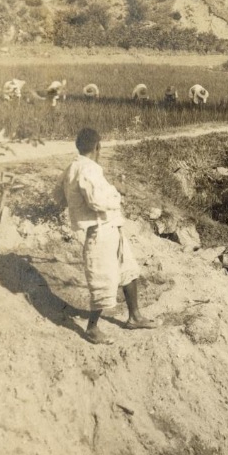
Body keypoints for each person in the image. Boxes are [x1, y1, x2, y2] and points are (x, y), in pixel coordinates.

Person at [54, 128, 156, 344]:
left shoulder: (73, 167)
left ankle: (135, 317)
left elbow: (57, 194)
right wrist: (116, 197)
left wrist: (71, 204)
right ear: (97, 147)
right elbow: (96, 201)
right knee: (104, 280)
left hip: (110, 228)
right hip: (99, 233)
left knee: (128, 269)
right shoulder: (88, 169)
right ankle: (92, 328)